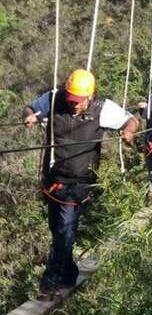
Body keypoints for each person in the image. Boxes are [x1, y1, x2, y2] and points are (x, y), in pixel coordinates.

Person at [23, 68, 138, 297]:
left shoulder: (102, 108)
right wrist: (30, 116)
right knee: (57, 230)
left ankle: (50, 284)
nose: (74, 105)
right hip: (53, 179)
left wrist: (128, 131)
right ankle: (69, 274)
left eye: (78, 101)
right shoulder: (54, 98)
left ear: (90, 96)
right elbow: (30, 107)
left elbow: (131, 120)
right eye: (71, 99)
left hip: (80, 182)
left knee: (65, 230)